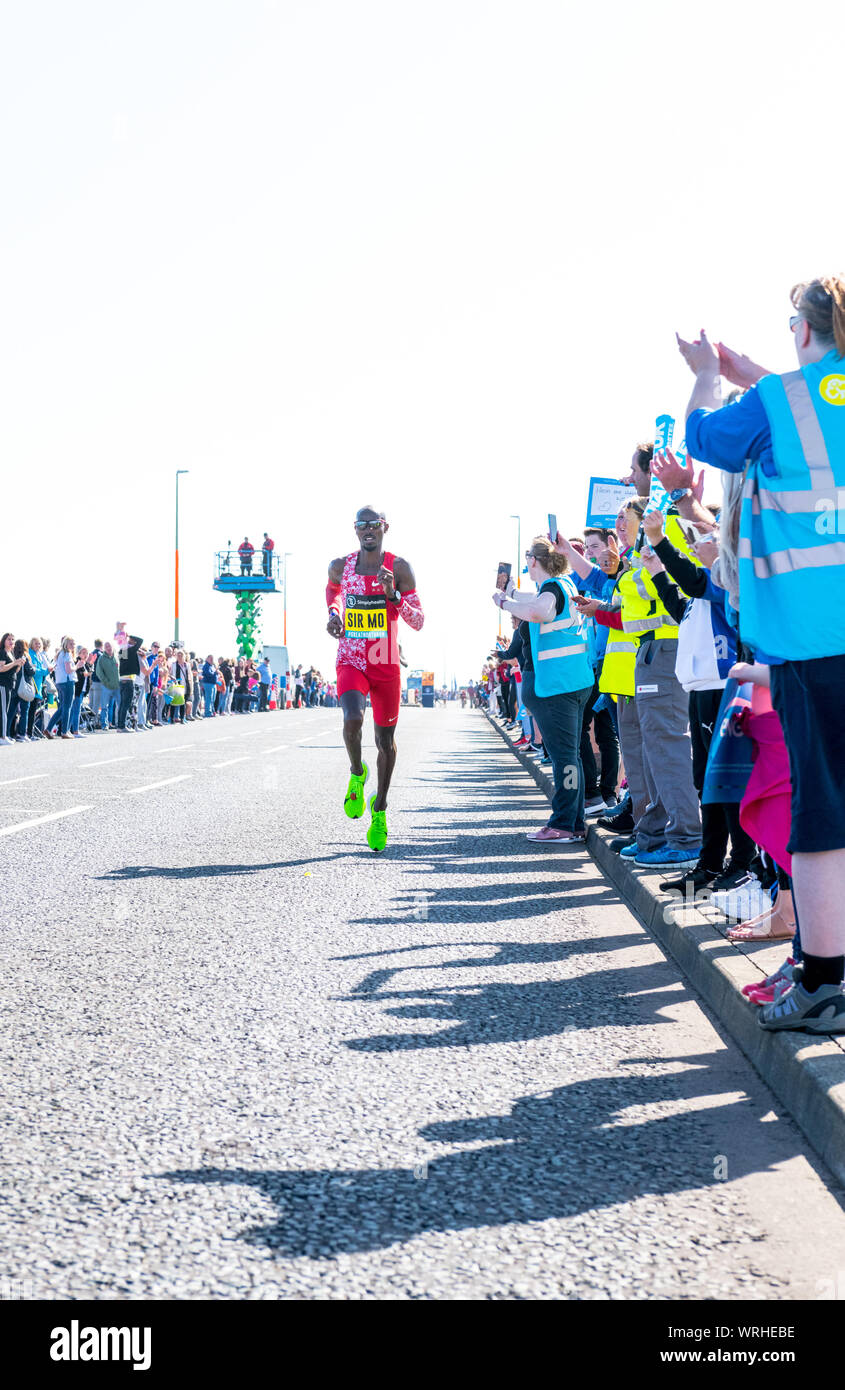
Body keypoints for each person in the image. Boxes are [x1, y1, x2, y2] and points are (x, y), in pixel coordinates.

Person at [676, 275, 845, 1034]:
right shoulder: (797, 395)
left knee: (821, 818)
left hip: (813, 640)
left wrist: (709, 377)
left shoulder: (781, 401)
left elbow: (706, 439)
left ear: (802, 331)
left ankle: (820, 984)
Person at [326, 506, 424, 851]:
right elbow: (334, 592)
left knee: (385, 741)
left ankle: (379, 808)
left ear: (385, 527)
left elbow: (418, 621)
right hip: (352, 656)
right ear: (355, 530)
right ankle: (356, 772)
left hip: (384, 661)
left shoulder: (399, 568)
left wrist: (393, 595)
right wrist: (334, 614)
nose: (368, 530)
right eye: (361, 525)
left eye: (374, 525)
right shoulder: (340, 565)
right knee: (352, 719)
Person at [493, 537, 595, 842]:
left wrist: (504, 603)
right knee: (570, 756)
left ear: (534, 561)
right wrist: (510, 592)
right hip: (574, 682)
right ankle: (573, 821)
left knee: (564, 757)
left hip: (556, 686)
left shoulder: (551, 590)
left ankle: (563, 823)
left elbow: (541, 612)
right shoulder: (562, 584)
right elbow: (535, 601)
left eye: (527, 557)